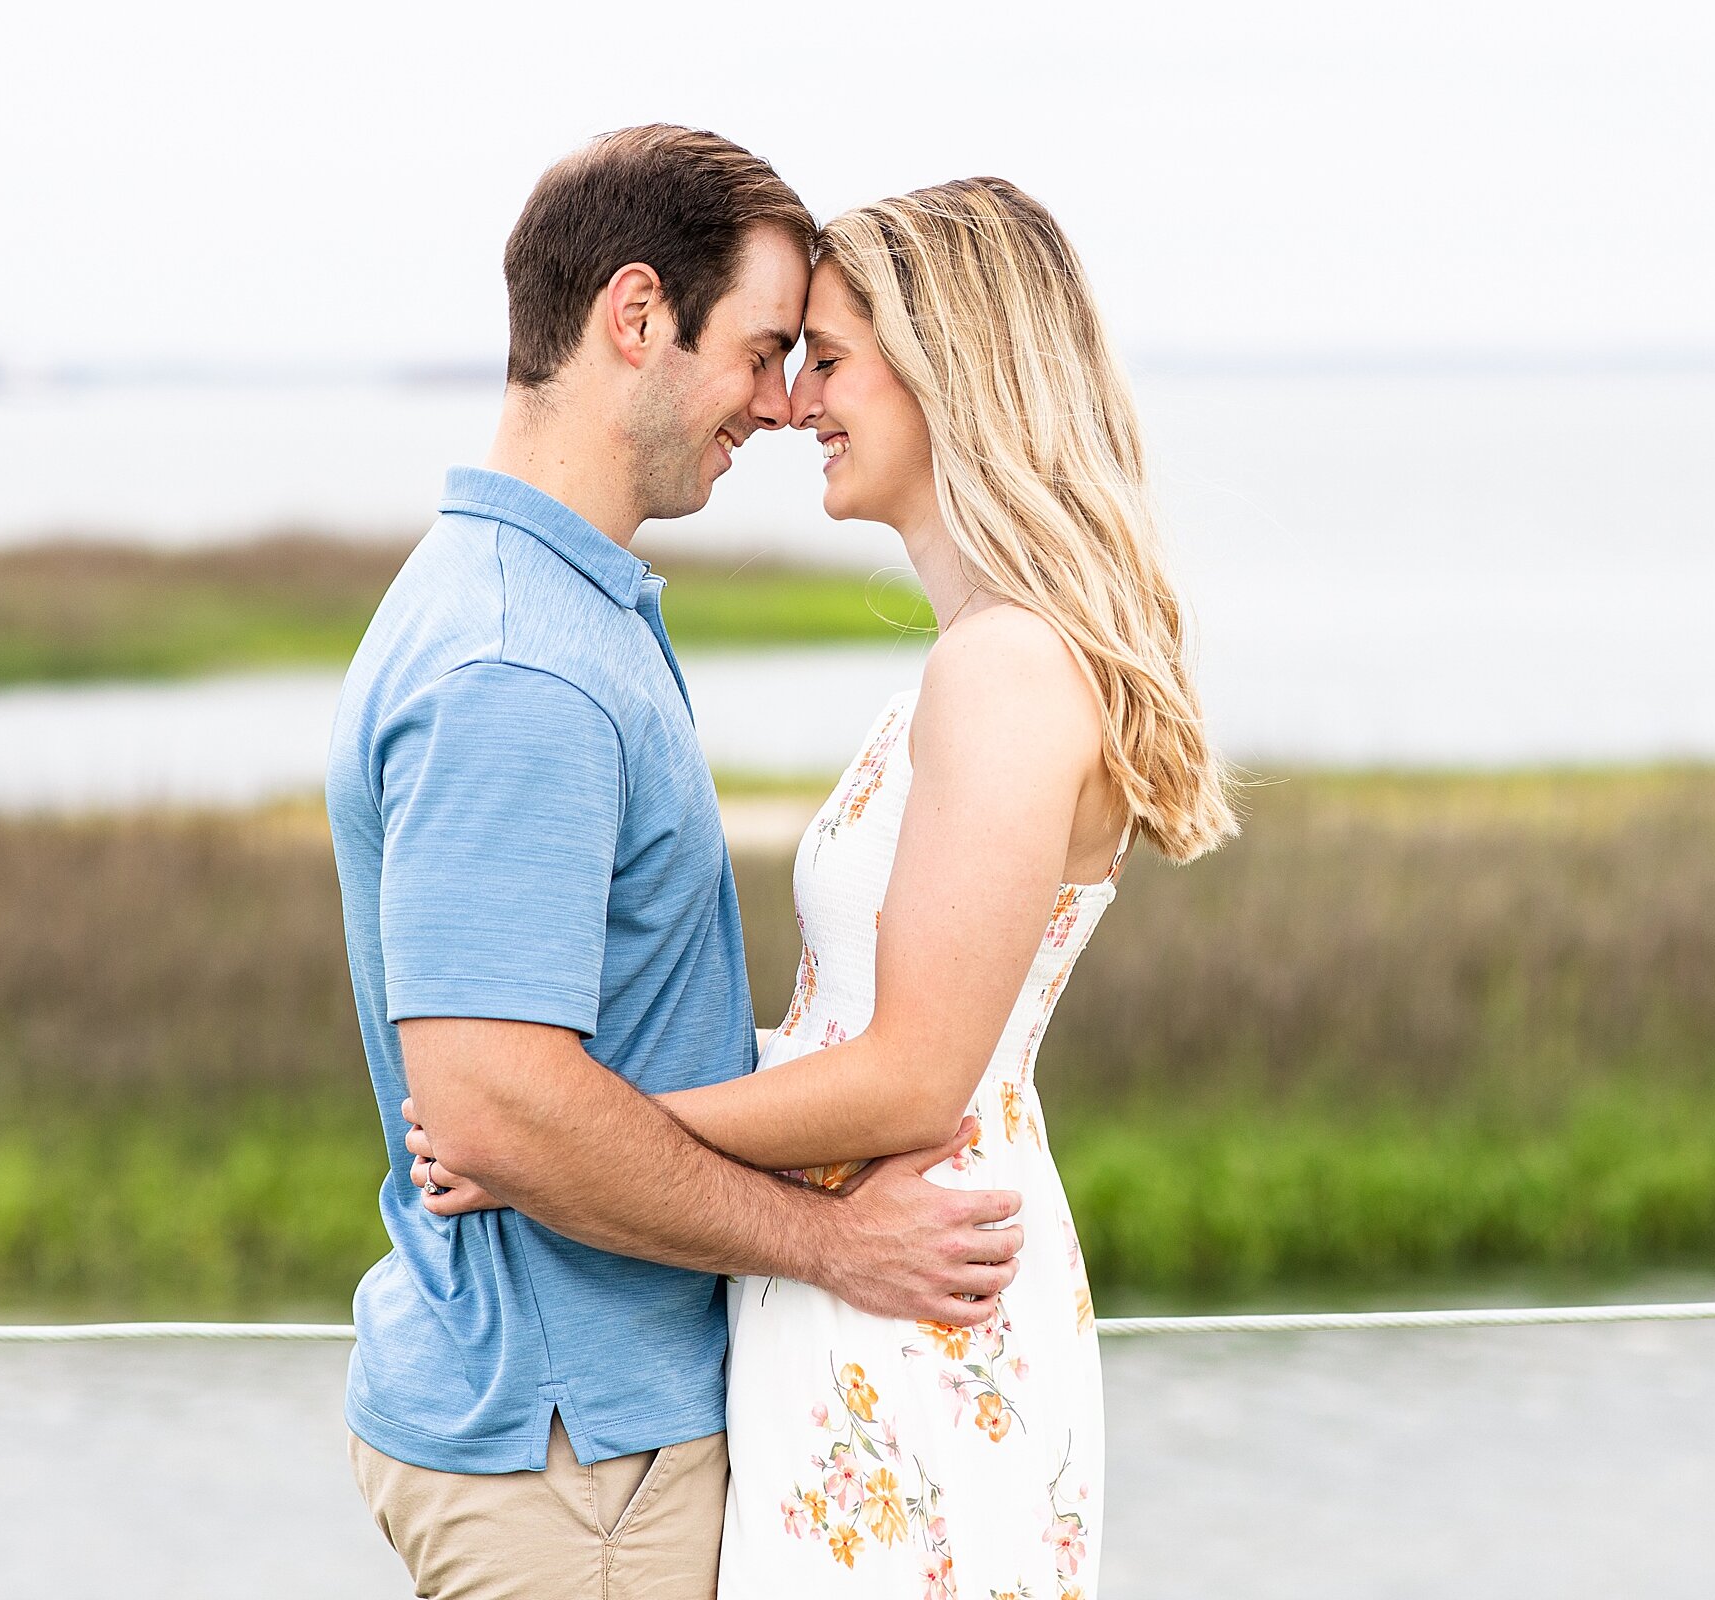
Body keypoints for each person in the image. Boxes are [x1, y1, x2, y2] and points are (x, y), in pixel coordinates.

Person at [413, 178, 1238, 1599]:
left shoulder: (1004, 670)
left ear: (950, 375)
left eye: (832, 360)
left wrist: (565, 1140)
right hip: (872, 1265)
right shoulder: (988, 657)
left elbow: (913, 1076)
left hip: (908, 1277)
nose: (796, 405)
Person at [325, 128, 1027, 1600]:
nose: (780, 405)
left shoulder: (552, 607)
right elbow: (499, 1112)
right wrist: (836, 1247)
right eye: (764, 349)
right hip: (579, 1461)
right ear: (634, 318)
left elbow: (534, 1087)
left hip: (597, 1444)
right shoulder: (523, 661)